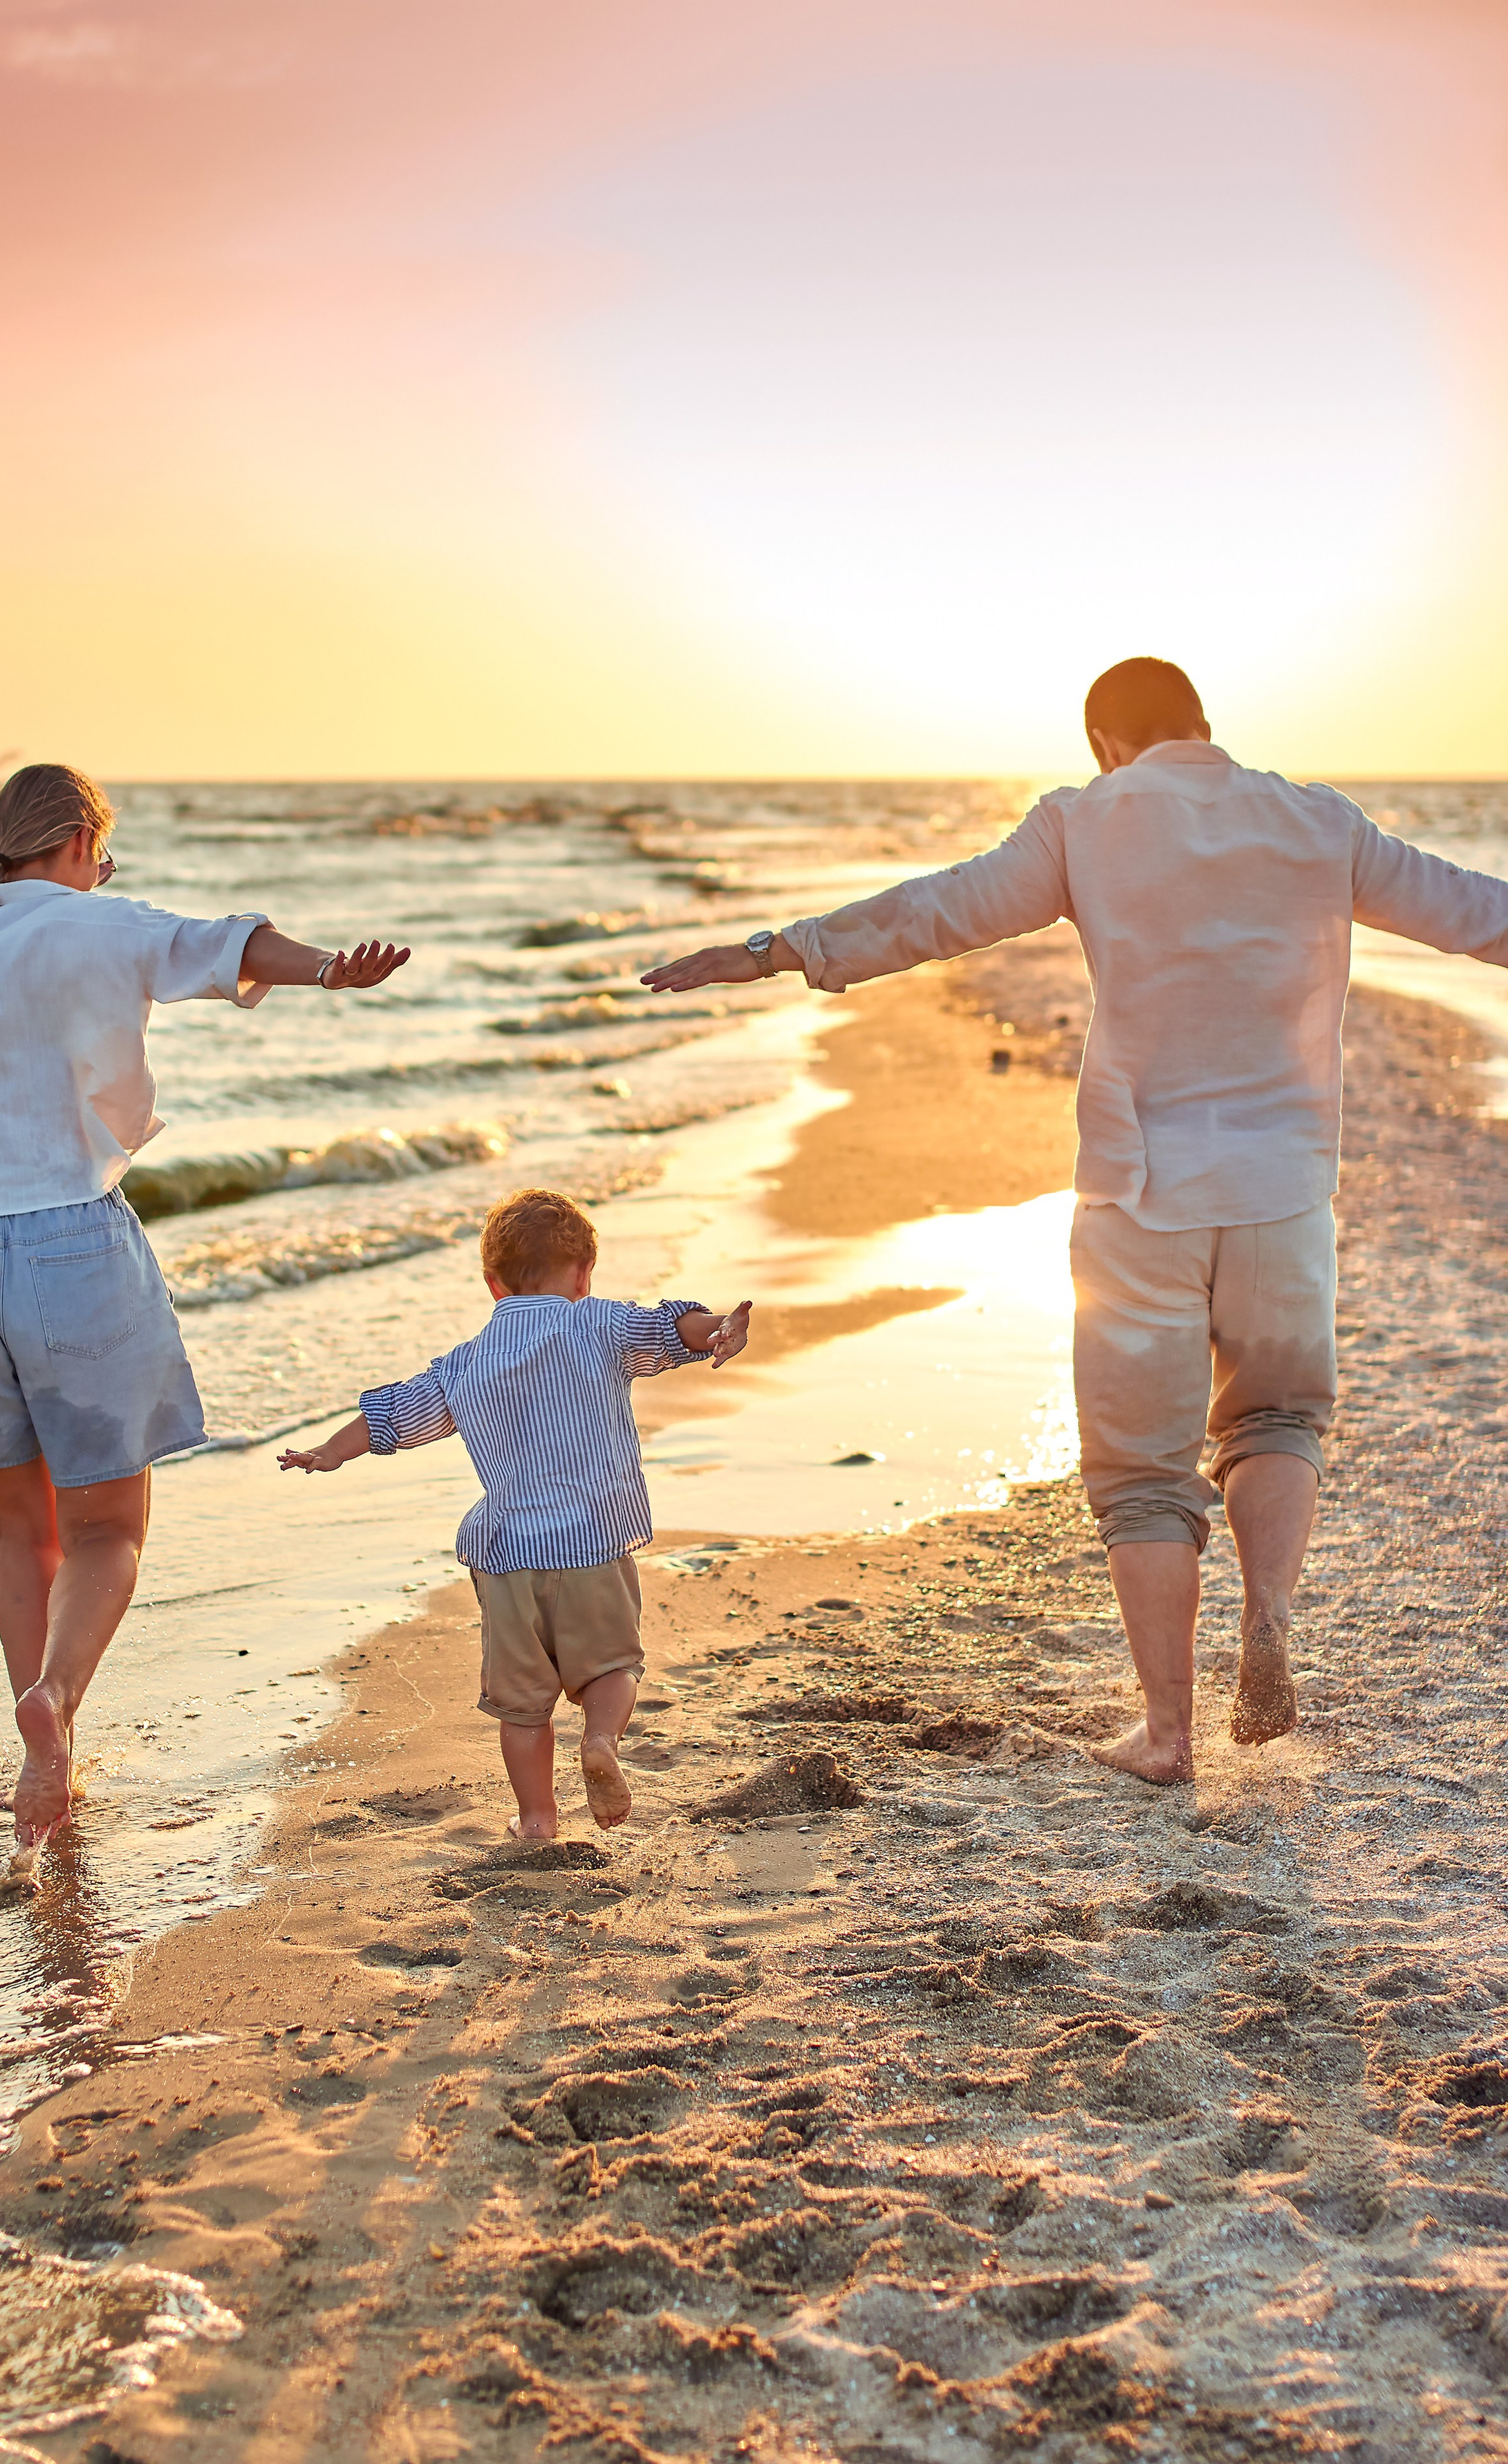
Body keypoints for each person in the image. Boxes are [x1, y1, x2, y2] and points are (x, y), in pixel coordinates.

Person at [642, 656, 1508, 1786]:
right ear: (1205, 726)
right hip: (1285, 1192)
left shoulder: (1083, 822)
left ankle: (1167, 1736)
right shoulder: (1319, 822)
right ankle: (1271, 1626)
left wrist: (776, 951)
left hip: (1140, 1192)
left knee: (1143, 1476)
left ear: (1105, 744)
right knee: (1280, 1420)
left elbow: (937, 913)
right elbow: (1479, 917)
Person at [0, 761, 409, 1866]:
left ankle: (38, 1753)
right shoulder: (101, 925)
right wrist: (332, 971)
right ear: (82, 841)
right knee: (108, 1531)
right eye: (106, 852)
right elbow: (242, 942)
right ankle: (53, 1703)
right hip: (67, 1249)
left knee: (23, 1527)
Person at [279, 1186, 750, 1835]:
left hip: (507, 1558)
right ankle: (602, 1743)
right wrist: (718, 1329)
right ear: (584, 1274)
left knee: (523, 1708)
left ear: (492, 1283)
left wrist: (330, 1451)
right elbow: (671, 1328)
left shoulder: (466, 1363)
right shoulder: (601, 1324)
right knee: (614, 1667)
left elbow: (394, 1415)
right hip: (593, 1541)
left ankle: (535, 1820)